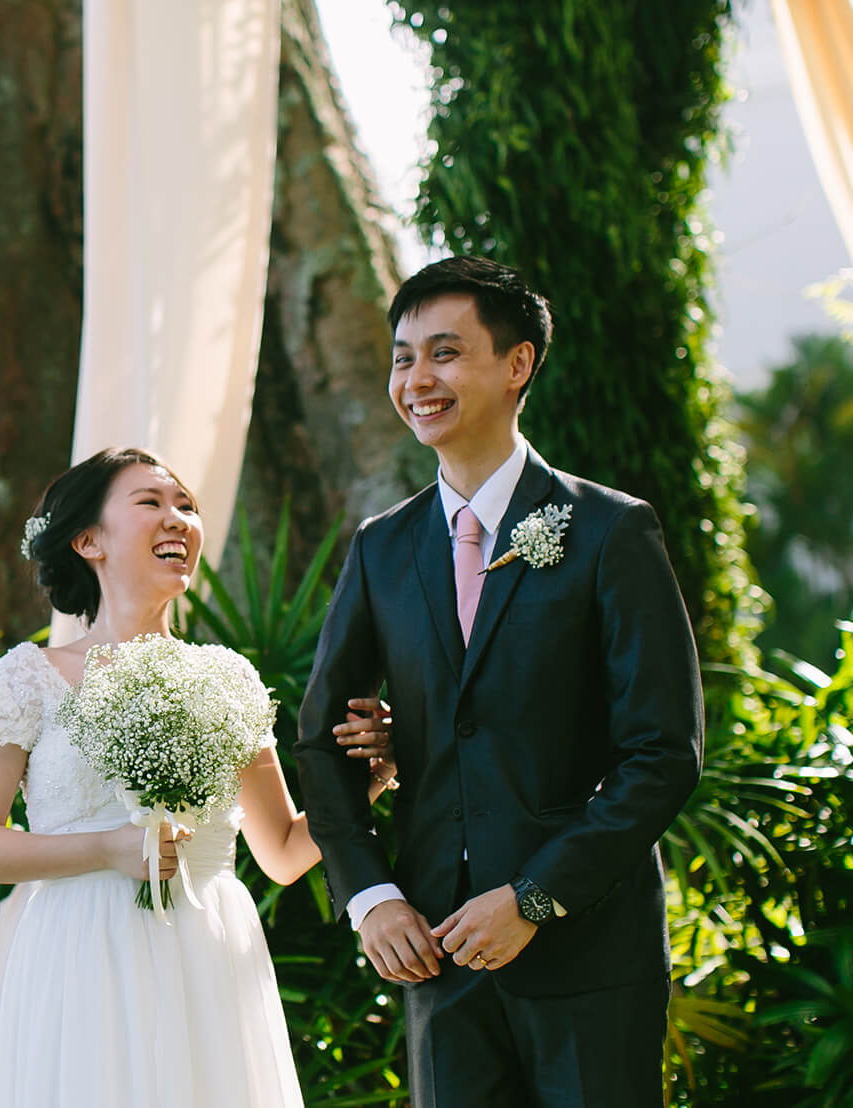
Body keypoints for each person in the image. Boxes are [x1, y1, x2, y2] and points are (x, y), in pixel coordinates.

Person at [293, 256, 704, 1107]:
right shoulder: (382, 547)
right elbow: (321, 739)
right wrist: (372, 898)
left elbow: (662, 754)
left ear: (517, 364)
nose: (416, 380)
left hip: (591, 955)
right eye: (403, 357)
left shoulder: (610, 532)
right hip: (438, 958)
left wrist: (533, 898)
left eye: (444, 353)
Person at [0, 446, 394, 1108]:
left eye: (188, 507)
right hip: (80, 957)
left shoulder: (227, 677)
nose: (178, 519)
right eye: (151, 503)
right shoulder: (28, 679)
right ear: (88, 540)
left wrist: (370, 781)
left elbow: (286, 852)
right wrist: (107, 848)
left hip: (206, 952)